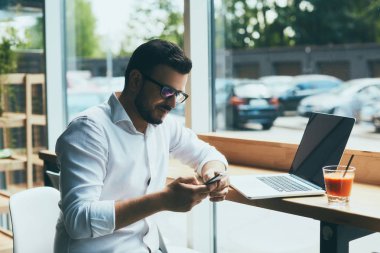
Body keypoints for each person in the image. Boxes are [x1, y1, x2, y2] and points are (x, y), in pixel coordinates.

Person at [54, 39, 229, 253]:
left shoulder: (163, 125)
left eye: (178, 94)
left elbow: (206, 153)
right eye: (166, 91)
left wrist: (214, 172)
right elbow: (78, 221)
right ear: (136, 80)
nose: (173, 103)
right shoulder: (89, 130)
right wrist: (161, 200)